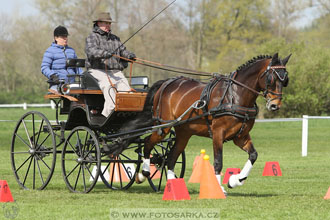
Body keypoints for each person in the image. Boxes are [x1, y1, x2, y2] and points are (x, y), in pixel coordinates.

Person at [85, 12, 136, 118]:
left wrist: (129, 56)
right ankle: (106, 116)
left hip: (115, 71)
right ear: (99, 23)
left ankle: (125, 119)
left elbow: (123, 51)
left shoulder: (115, 38)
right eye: (106, 23)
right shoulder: (92, 37)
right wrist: (104, 54)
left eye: (109, 23)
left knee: (128, 94)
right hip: (98, 70)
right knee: (109, 88)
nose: (108, 25)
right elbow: (91, 51)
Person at [41, 25, 82, 90]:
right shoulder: (50, 51)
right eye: (63, 37)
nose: (65, 38)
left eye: (66, 36)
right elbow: (44, 68)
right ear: (56, 38)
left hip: (72, 83)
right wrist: (52, 76)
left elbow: (77, 67)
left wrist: (83, 76)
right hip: (57, 84)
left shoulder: (71, 51)